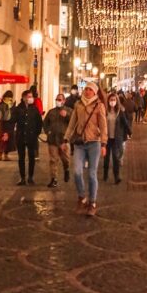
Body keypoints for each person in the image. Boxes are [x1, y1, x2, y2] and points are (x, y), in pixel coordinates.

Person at [64, 82, 107, 217]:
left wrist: (104, 144)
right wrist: (66, 138)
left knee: (92, 174)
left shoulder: (99, 106)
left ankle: (92, 203)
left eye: (90, 89)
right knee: (77, 172)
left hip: (94, 142)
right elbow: (72, 123)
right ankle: (82, 197)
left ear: (94, 92)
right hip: (80, 143)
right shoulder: (78, 105)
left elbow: (104, 126)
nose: (87, 91)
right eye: (86, 89)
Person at [13, 89, 43, 185]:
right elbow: (13, 121)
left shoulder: (34, 109)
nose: (31, 98)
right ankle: (22, 178)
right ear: (24, 98)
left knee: (31, 157)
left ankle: (30, 177)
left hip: (31, 137)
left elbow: (39, 123)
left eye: (31, 97)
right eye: (29, 96)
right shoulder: (18, 109)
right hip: (21, 136)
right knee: (21, 158)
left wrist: (36, 134)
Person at [43, 92, 71, 187]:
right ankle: (54, 179)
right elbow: (45, 123)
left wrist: (66, 115)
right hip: (52, 140)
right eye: (57, 99)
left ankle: (66, 169)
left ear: (64, 101)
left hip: (64, 140)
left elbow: (73, 122)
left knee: (65, 159)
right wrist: (48, 132)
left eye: (60, 100)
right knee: (53, 160)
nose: (58, 101)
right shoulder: (51, 112)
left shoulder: (69, 111)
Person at [104, 92, 131, 184]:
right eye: (111, 100)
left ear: (117, 101)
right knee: (106, 158)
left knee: (115, 157)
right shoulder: (105, 111)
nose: (112, 101)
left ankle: (117, 177)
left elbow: (125, 123)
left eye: (114, 100)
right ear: (108, 101)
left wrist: (129, 132)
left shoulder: (120, 112)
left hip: (116, 138)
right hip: (107, 139)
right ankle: (105, 174)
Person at [0, 90, 15, 160]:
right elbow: (14, 114)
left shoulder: (1, 103)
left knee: (2, 139)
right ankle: (5, 155)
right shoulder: (12, 103)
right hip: (9, 124)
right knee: (7, 139)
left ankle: (0, 155)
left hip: (2, 123)